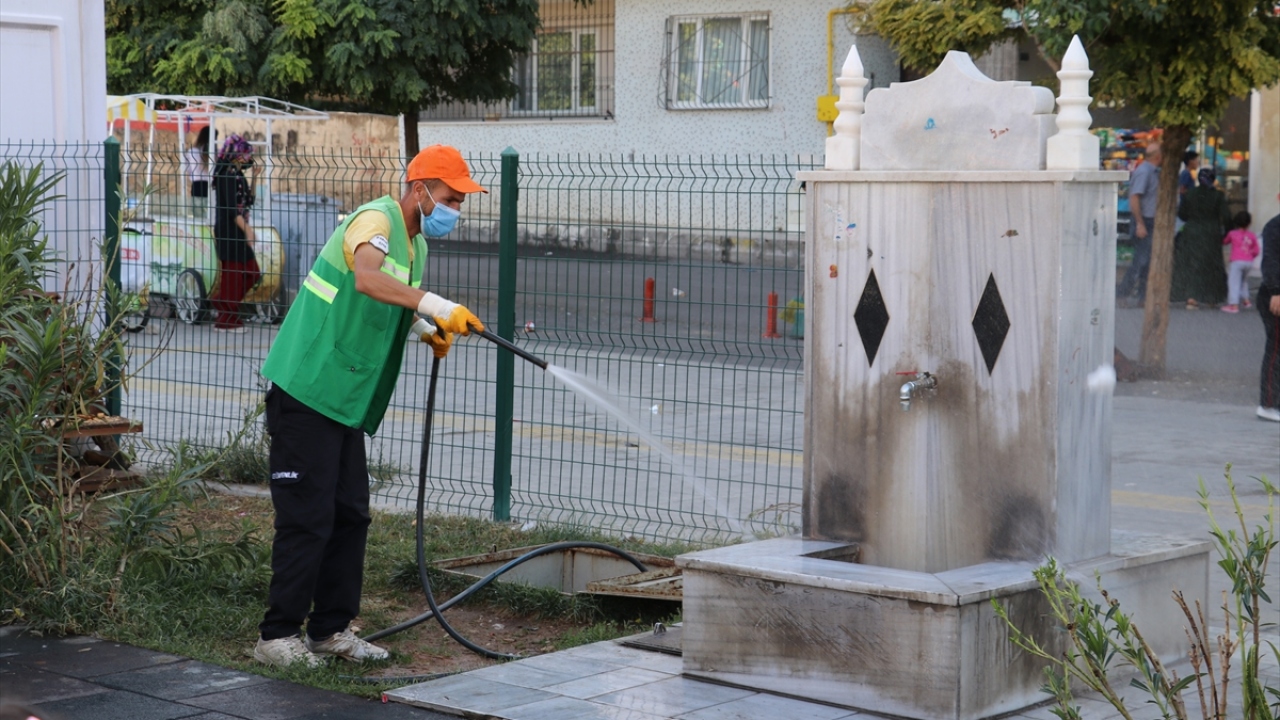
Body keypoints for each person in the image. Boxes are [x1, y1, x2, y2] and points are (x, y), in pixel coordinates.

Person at [252, 144, 488, 667]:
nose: (456, 209)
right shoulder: (375, 218)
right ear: (420, 189)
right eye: (451, 197)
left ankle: (330, 631)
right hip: (308, 389)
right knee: (307, 518)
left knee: (350, 515)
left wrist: (425, 326)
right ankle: (277, 636)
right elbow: (366, 276)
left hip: (343, 400)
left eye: (461, 200)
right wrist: (435, 304)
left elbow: (383, 302)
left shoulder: (416, 244)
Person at [210, 135, 261, 333]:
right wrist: (247, 229)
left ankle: (222, 303)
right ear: (237, 155)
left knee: (252, 272)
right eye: (246, 155)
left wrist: (255, 177)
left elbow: (248, 201)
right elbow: (232, 210)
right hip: (229, 231)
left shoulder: (238, 175)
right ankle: (226, 320)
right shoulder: (227, 175)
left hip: (239, 230)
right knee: (233, 275)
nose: (249, 159)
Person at [1171, 168, 1229, 309]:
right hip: (1211, 233)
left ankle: (1191, 297)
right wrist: (1227, 232)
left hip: (1192, 232)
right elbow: (1226, 216)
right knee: (1211, 265)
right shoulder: (1218, 196)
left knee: (1191, 265)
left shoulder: (1190, 194)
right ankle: (1212, 298)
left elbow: (1182, 214)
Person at [1117, 142, 1161, 304]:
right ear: (1158, 156)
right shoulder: (1145, 172)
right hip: (1145, 220)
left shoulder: (1152, 171)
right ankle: (1122, 293)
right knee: (1141, 261)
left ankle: (1143, 296)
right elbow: (1134, 198)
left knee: (1147, 261)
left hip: (1148, 220)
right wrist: (1140, 223)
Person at [1257, 201, 1280, 422]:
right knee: (1276, 350)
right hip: (1274, 297)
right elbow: (1271, 261)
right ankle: (1268, 404)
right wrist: (1276, 291)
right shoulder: (1275, 226)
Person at [1221, 211, 1259, 313]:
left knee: (1233, 282)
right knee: (1243, 281)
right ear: (1249, 223)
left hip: (1236, 261)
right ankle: (1246, 300)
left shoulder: (1232, 234)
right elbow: (1256, 250)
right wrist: (1250, 256)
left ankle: (1234, 305)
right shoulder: (1252, 235)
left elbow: (1225, 241)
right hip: (1249, 262)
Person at [183, 126, 213, 215]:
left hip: (197, 185)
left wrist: (194, 175)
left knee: (197, 213)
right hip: (211, 185)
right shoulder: (213, 152)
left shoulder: (193, 151)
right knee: (210, 212)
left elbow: (187, 169)